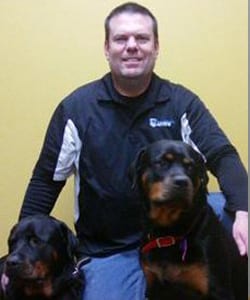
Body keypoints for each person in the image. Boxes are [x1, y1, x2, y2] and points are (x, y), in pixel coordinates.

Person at [16, 2, 248, 299]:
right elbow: (46, 181)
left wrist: (244, 210)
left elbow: (222, 155)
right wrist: (21, 254)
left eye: (141, 38)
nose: (131, 47)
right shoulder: (77, 109)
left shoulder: (181, 103)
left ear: (156, 46)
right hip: (111, 248)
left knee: (226, 208)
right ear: (106, 47)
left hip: (176, 236)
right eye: (121, 39)